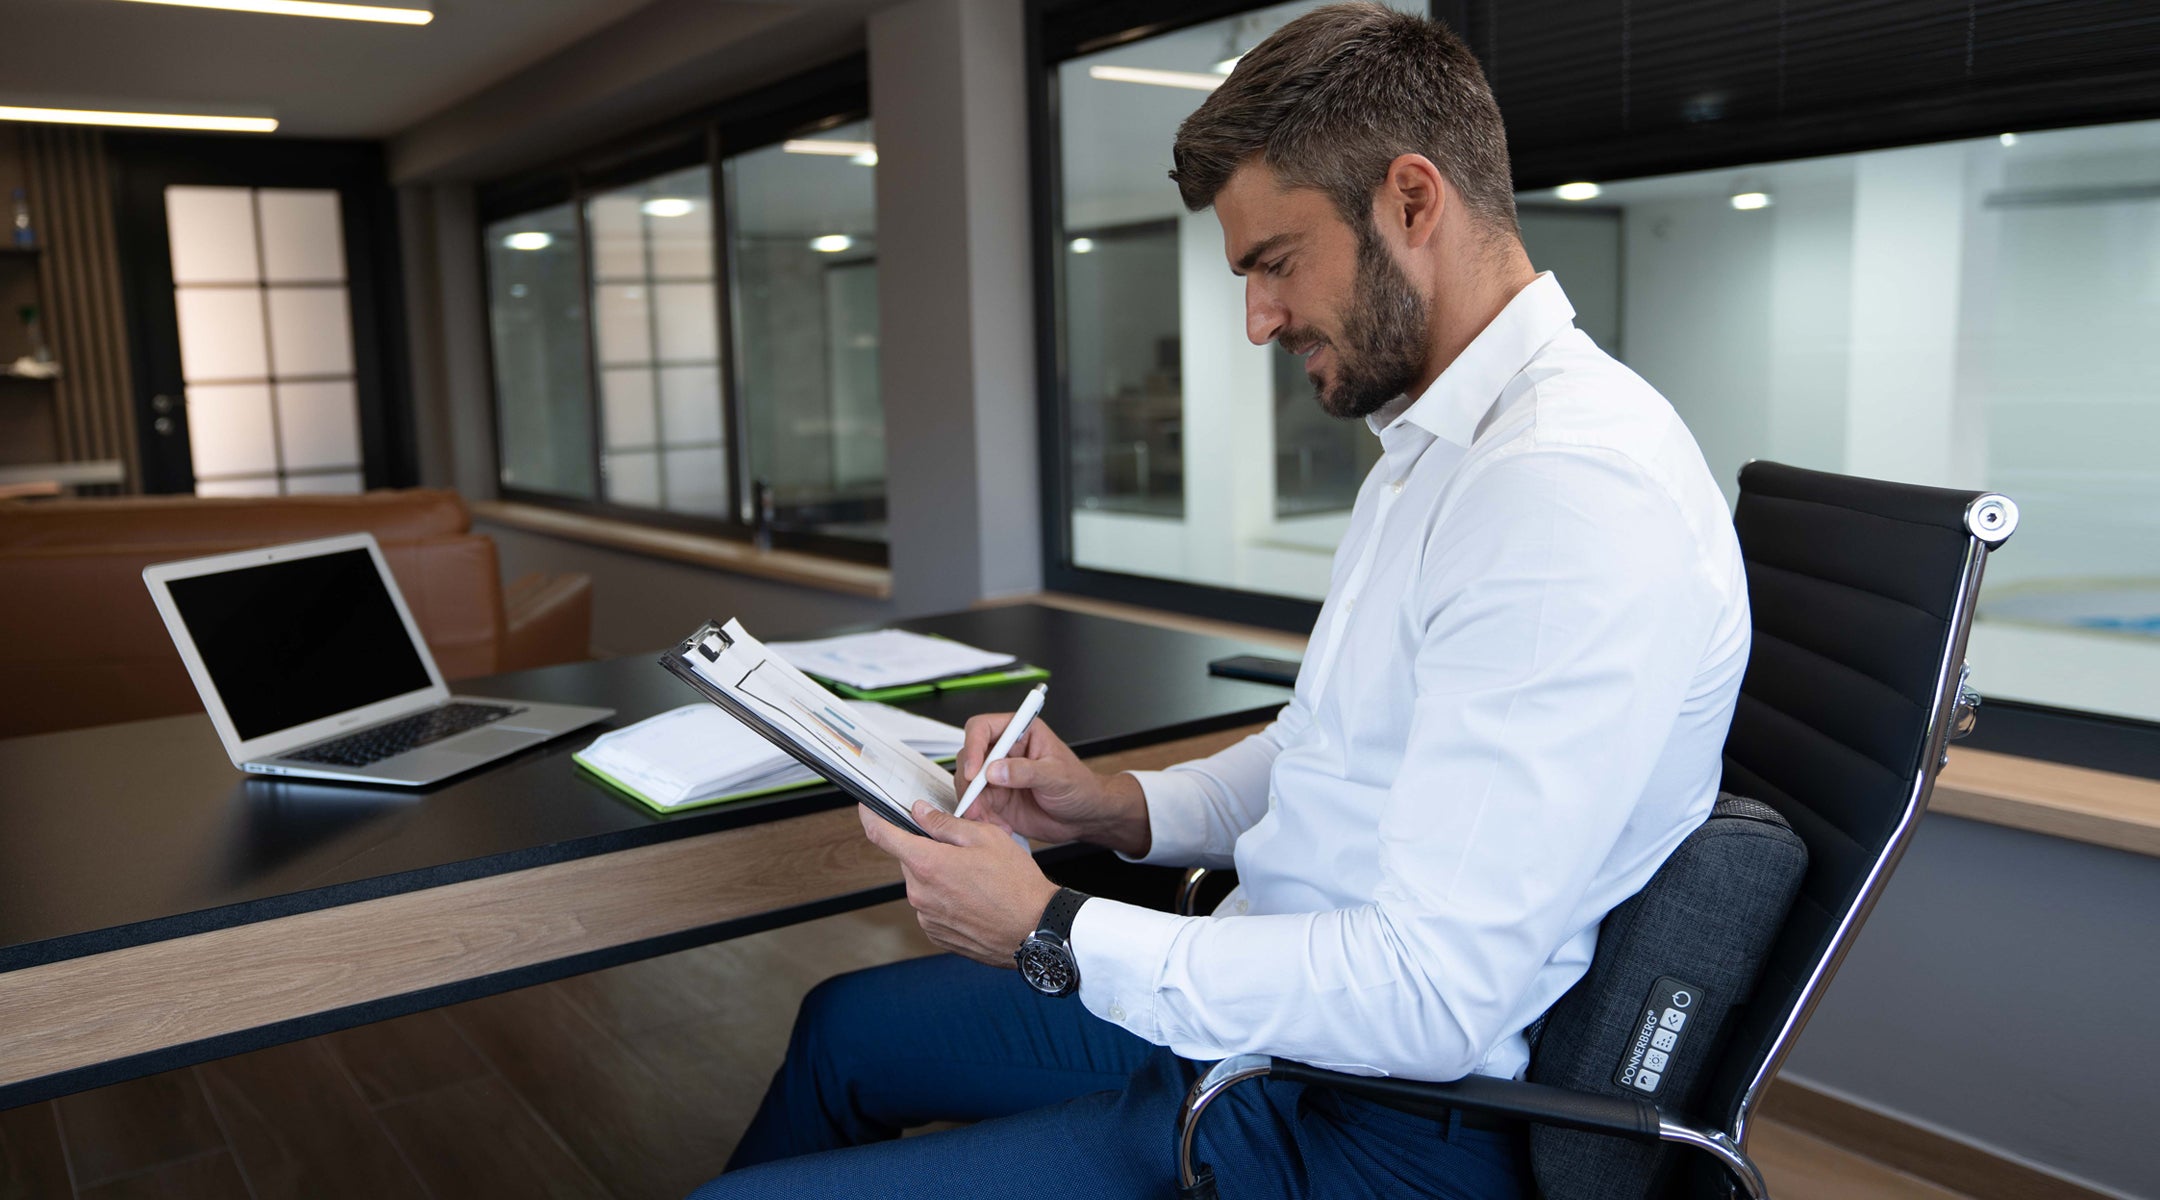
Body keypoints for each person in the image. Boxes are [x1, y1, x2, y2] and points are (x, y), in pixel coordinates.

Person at [693, 4, 1748, 1197]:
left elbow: (1432, 996)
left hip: (1370, 1118)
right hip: (1275, 1016)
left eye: (1275, 264)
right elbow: (1328, 752)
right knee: (843, 1028)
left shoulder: (1562, 496)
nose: (1257, 321)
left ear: (1412, 202)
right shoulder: (1444, 446)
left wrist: (1049, 930)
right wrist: (1104, 810)